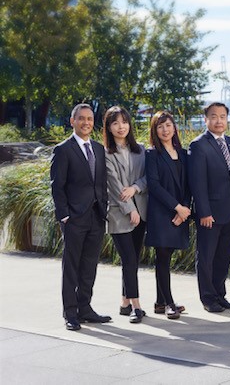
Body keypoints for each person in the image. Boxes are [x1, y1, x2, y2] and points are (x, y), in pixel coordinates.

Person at [50, 103, 111, 331]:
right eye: (81, 118)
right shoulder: (63, 150)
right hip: (74, 219)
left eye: (90, 119)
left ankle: (85, 308)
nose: (86, 122)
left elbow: (101, 183)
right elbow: (58, 186)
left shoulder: (98, 148)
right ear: (72, 121)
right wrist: (64, 216)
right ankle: (70, 313)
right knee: (72, 266)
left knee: (89, 265)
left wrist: (103, 209)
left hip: (96, 216)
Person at [188, 102, 230, 313]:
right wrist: (204, 211)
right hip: (209, 214)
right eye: (214, 116)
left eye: (222, 116)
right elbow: (197, 183)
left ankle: (220, 295)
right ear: (206, 119)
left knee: (223, 256)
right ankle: (208, 298)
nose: (219, 121)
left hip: (228, 212)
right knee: (207, 257)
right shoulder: (199, 145)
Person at [103, 106, 149, 323]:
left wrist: (136, 188)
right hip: (120, 214)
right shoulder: (106, 153)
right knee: (129, 260)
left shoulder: (140, 149)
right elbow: (114, 185)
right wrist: (130, 209)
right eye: (115, 123)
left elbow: (148, 177)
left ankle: (124, 302)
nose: (120, 127)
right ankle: (136, 306)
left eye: (124, 122)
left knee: (132, 261)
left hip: (142, 210)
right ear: (108, 127)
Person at [145, 110, 190, 320]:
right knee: (162, 258)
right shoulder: (152, 154)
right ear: (155, 130)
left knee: (166, 257)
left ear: (174, 127)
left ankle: (159, 302)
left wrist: (185, 210)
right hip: (161, 213)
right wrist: (176, 207)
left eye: (168, 125)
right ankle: (170, 303)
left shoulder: (183, 153)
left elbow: (189, 184)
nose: (165, 130)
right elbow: (153, 185)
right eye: (160, 126)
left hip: (179, 213)